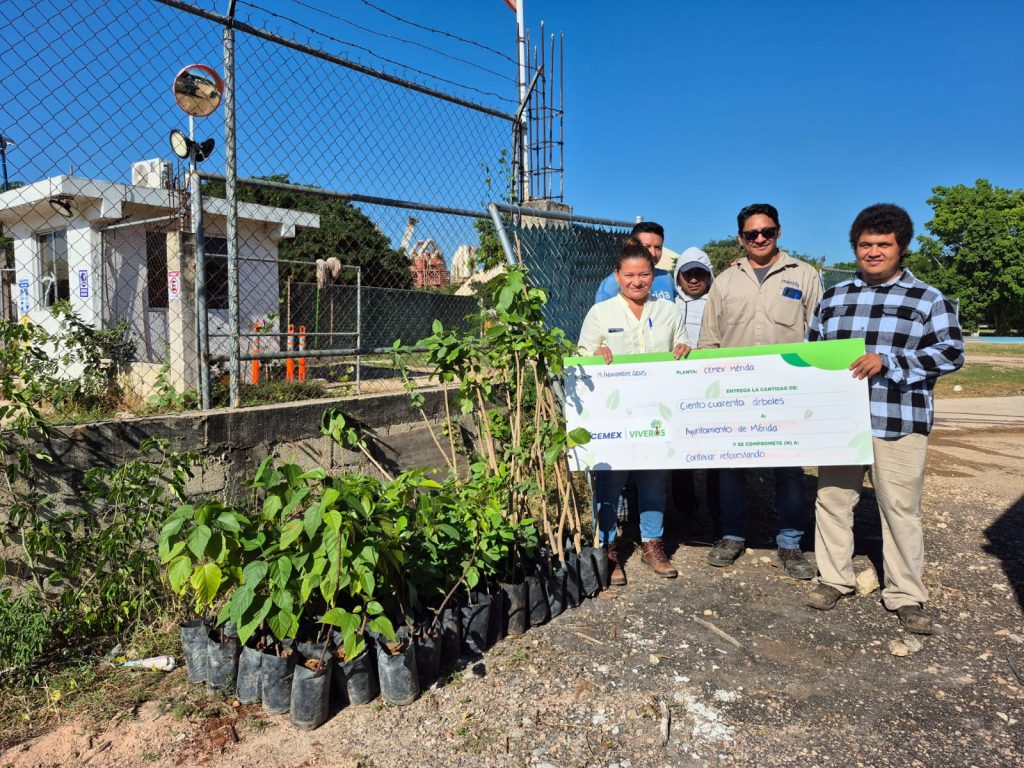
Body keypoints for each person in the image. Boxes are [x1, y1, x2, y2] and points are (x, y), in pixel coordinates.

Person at [805, 203, 964, 635]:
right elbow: (812, 351)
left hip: (898, 419)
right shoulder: (834, 298)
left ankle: (905, 594)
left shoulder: (929, 299)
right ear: (855, 247)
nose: (873, 252)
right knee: (834, 502)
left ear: (901, 247)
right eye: (865, 245)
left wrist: (889, 361)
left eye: (883, 245)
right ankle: (833, 579)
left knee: (900, 509)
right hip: (842, 424)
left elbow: (951, 353)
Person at [698, 203, 822, 579]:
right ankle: (733, 535)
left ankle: (789, 542)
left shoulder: (804, 275)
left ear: (779, 232)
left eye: (767, 231)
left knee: (788, 470)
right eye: (752, 234)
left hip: (786, 393)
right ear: (741, 238)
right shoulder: (724, 281)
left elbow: (819, 335)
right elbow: (709, 341)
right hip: (735, 393)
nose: (760, 238)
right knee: (731, 468)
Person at [578, 236, 690, 585]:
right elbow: (581, 355)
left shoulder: (669, 312)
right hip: (615, 415)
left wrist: (686, 349)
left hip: (658, 411)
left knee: (654, 480)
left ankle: (652, 544)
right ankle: (609, 551)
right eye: (629, 275)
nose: (636, 281)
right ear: (617, 276)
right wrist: (594, 356)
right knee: (610, 482)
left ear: (653, 275)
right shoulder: (601, 312)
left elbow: (682, 350)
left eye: (643, 275)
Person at [670, 248, 720, 541]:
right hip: (678, 388)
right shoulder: (668, 305)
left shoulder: (717, 302)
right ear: (678, 276)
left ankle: (718, 516)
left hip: (712, 387)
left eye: (700, 273)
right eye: (687, 273)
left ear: (709, 275)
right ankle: (685, 513)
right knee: (682, 454)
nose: (693, 279)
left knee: (716, 455)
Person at [595, 221, 675, 302]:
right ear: (633, 245)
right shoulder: (613, 283)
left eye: (658, 247)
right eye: (647, 246)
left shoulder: (666, 277)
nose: (653, 253)